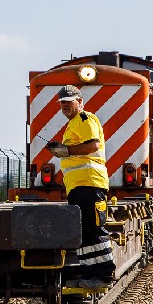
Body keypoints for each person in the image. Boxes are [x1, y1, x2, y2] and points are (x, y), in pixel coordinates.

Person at [46, 84, 115, 289]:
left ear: (80, 102)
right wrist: (62, 149)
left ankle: (103, 275)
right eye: (62, 103)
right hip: (79, 186)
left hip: (90, 183)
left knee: (94, 230)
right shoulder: (74, 123)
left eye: (69, 101)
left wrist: (65, 151)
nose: (65, 106)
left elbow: (93, 145)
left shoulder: (85, 119)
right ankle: (89, 273)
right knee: (85, 231)